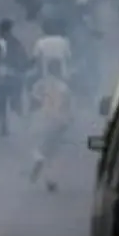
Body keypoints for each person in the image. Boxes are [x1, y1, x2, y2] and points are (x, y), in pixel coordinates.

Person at [29, 60, 73, 192]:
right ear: (60, 70)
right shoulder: (64, 87)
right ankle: (50, 180)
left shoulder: (41, 84)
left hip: (44, 118)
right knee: (54, 152)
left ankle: (39, 159)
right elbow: (68, 105)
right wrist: (69, 120)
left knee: (41, 147)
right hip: (59, 121)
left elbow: (34, 100)